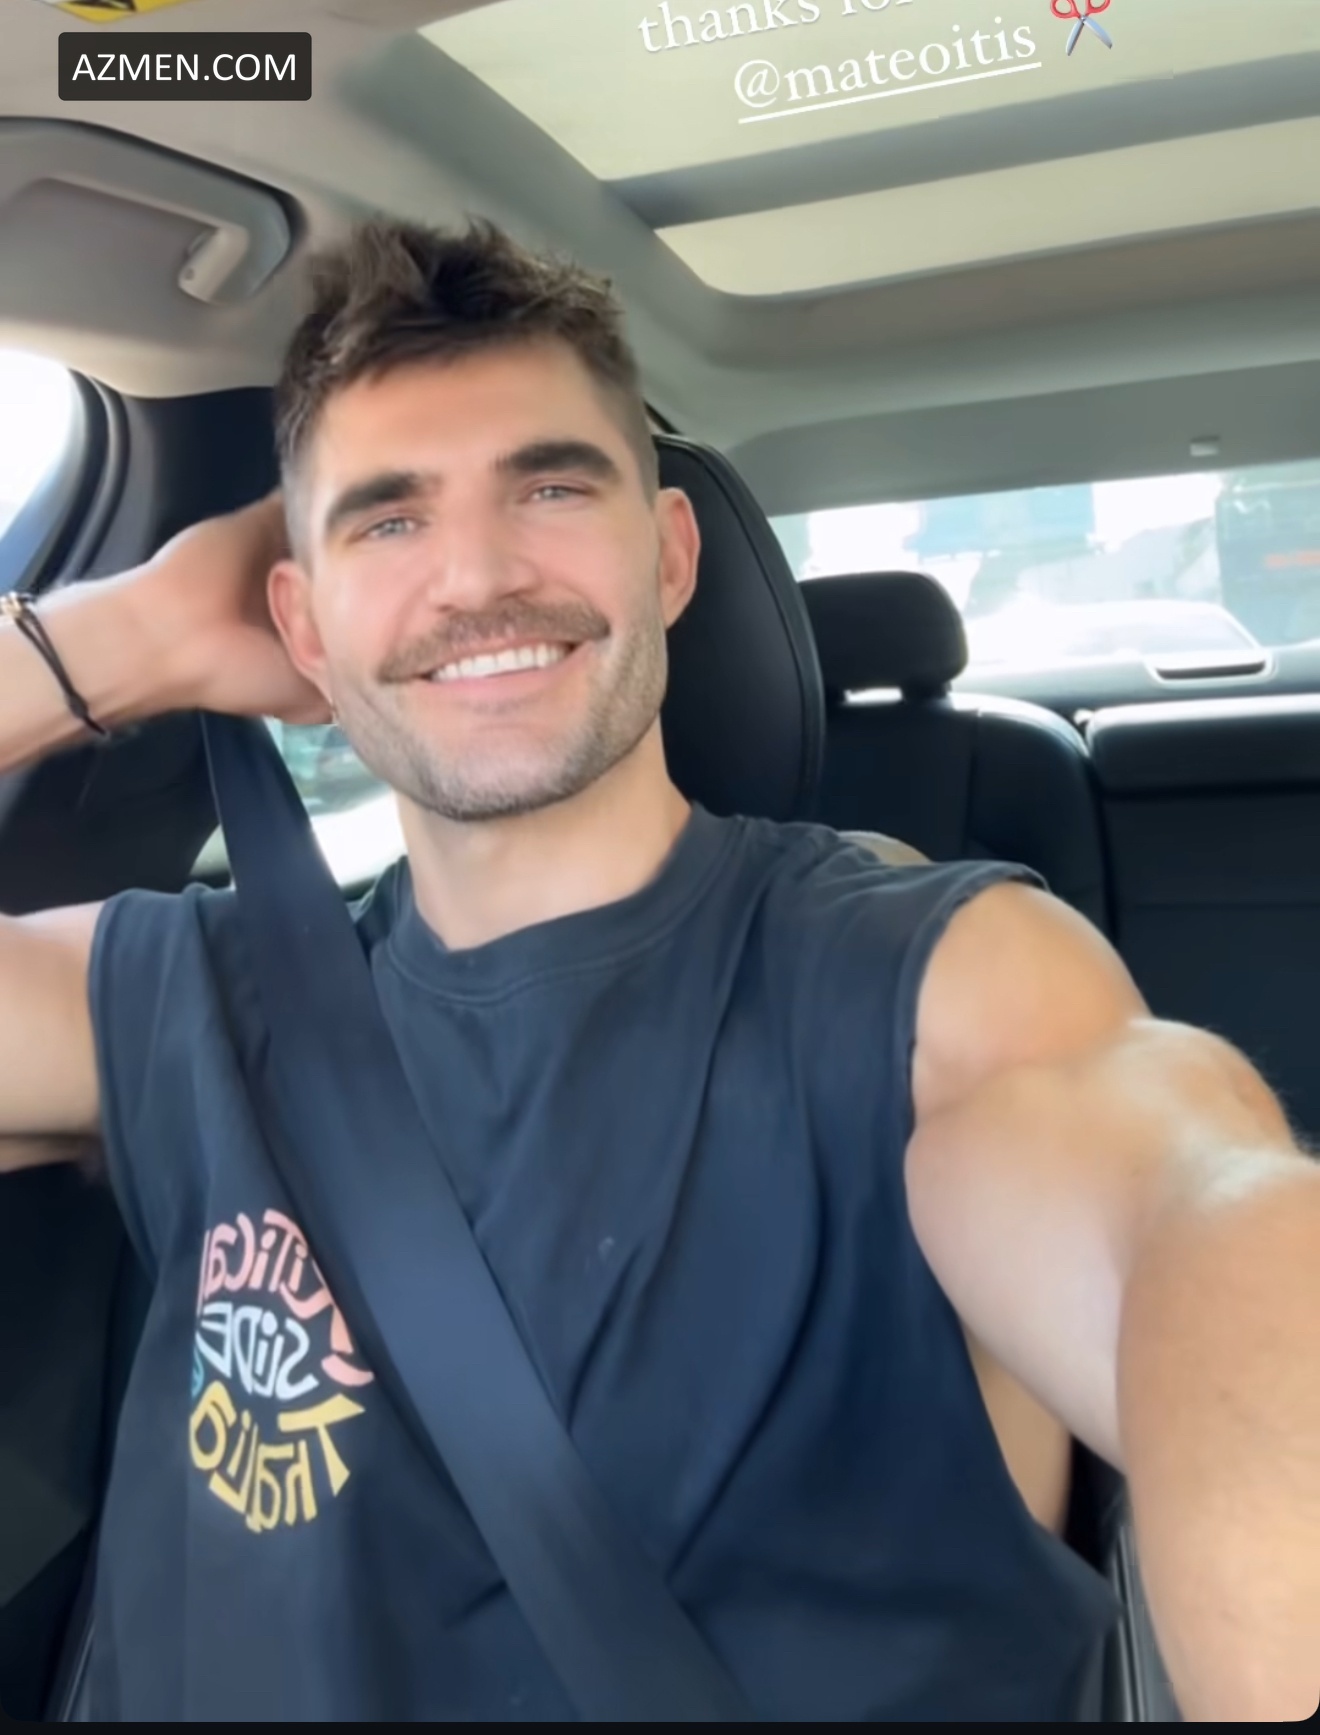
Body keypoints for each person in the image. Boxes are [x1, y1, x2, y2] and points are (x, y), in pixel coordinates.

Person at [0, 218, 1315, 1723]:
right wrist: (134, 634)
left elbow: (1199, 1225)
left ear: (672, 557)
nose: (478, 575)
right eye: (387, 522)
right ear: (298, 619)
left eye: (552, 488)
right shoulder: (186, 996)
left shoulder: (932, 980)